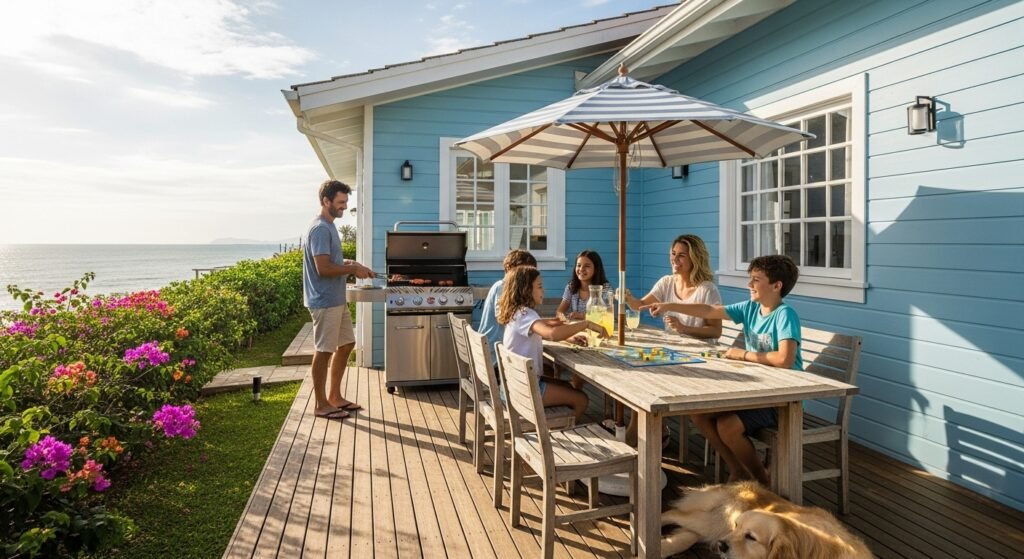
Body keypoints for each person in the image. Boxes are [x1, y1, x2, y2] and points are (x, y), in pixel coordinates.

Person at [642, 254, 803, 485]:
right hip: (758, 392)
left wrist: (743, 354)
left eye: (756, 280)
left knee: (728, 426)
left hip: (782, 400)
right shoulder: (750, 308)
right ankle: (738, 469)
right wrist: (668, 305)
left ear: (776, 286)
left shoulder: (785, 315)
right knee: (699, 413)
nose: (749, 284)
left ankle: (761, 480)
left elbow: (785, 359)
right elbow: (709, 311)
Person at [302, 179, 375, 420]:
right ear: (326, 201)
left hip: (336, 299)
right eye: (341, 202)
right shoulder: (320, 229)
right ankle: (321, 404)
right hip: (324, 300)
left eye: (345, 202)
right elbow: (322, 268)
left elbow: (331, 261)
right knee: (324, 351)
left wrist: (353, 264)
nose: (344, 206)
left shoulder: (330, 226)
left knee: (346, 345)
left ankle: (334, 397)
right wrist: (352, 270)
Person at [497, 266, 607, 421]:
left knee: (568, 386)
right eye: (539, 286)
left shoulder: (518, 313)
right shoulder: (526, 314)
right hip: (525, 391)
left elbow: (543, 326)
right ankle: (561, 432)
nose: (544, 290)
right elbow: (552, 334)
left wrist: (565, 332)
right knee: (581, 400)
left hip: (513, 385)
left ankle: (561, 426)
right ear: (526, 290)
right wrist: (585, 324)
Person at [624, 234, 722, 340]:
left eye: (681, 255)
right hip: (672, 345)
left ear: (695, 259)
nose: (674, 259)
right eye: (673, 254)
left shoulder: (707, 290)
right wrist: (627, 298)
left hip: (701, 348)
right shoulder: (666, 282)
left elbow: (715, 331)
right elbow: (641, 305)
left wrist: (683, 328)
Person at [478, 249, 537, 366]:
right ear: (509, 267)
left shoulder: (505, 287)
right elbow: (503, 317)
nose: (528, 277)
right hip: (495, 356)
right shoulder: (503, 286)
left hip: (492, 351)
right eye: (524, 272)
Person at [556, 249, 611, 320]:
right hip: (576, 326)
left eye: (587, 266)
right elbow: (560, 311)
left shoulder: (605, 288)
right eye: (578, 265)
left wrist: (581, 316)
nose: (581, 269)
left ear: (596, 268)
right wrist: (562, 317)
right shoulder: (571, 286)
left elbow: (606, 315)